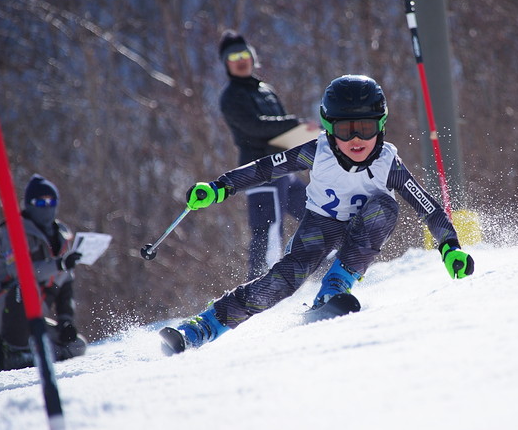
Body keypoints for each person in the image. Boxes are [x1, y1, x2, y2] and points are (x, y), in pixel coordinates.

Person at [160, 75, 475, 354]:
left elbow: (427, 206)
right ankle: (202, 327)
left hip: (363, 229)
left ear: (380, 125)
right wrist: (221, 187)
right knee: (280, 284)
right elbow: (266, 168)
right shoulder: (318, 151)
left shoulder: (387, 163)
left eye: (365, 128)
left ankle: (335, 286)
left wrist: (450, 247)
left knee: (385, 207)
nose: (356, 140)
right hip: (319, 228)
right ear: (328, 127)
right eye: (345, 129)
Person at [218, 31, 312, 279]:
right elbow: (254, 128)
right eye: (232, 56)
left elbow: (281, 131)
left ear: (252, 56)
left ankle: (328, 265)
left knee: (316, 212)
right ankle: (260, 287)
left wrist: (302, 137)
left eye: (244, 54)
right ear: (226, 63)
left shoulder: (265, 90)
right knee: (268, 232)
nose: (240, 60)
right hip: (260, 173)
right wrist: (294, 124)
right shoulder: (231, 97)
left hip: (285, 170)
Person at [0, 174, 83, 370]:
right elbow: (18, 271)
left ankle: (31, 353)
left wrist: (65, 322)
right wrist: (58, 264)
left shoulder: (60, 235)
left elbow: (65, 280)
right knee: (21, 287)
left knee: (76, 347)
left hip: (35, 315)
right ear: (29, 204)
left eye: (51, 201)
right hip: (5, 308)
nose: (46, 206)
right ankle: (13, 351)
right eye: (40, 202)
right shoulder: (13, 230)